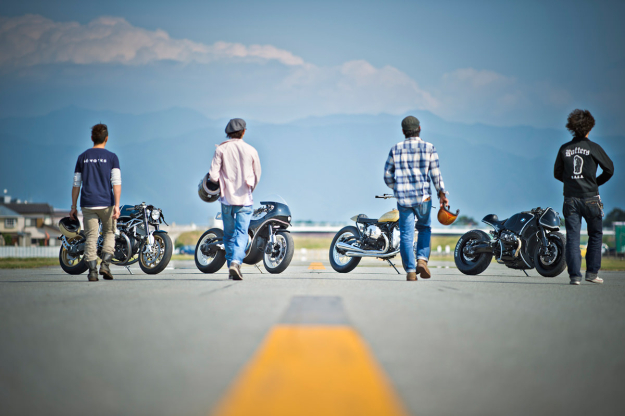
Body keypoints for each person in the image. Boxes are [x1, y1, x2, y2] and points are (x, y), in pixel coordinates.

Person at [384, 116, 449, 281]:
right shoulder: (429, 148)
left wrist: (396, 187)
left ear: (403, 131)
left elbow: (387, 175)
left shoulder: (395, 149)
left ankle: (411, 271)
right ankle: (422, 259)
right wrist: (441, 193)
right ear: (419, 129)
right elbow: (435, 174)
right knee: (424, 228)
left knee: (406, 234)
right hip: (423, 198)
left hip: (404, 199)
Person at [554, 109, 614, 285]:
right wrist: (594, 183)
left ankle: (574, 277)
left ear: (572, 128)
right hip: (591, 199)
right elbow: (609, 169)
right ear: (590, 127)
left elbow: (557, 173)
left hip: (570, 199)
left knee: (573, 237)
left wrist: (571, 182)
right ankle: (592, 273)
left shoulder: (564, 149)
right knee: (595, 234)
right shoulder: (594, 148)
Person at [209, 118, 261, 280]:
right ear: (244, 132)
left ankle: (232, 263)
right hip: (245, 199)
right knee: (241, 233)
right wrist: (250, 188)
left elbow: (213, 175)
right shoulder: (251, 150)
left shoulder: (221, 150)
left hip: (226, 199)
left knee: (229, 234)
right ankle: (236, 262)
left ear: (228, 133)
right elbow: (257, 174)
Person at [70, 123, 121, 282]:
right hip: (106, 203)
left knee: (91, 236)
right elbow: (116, 183)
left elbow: (76, 184)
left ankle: (92, 272)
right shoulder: (112, 157)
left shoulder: (82, 157)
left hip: (88, 204)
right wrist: (117, 206)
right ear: (106, 138)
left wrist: (73, 206)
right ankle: (105, 265)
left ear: (92, 138)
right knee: (109, 233)